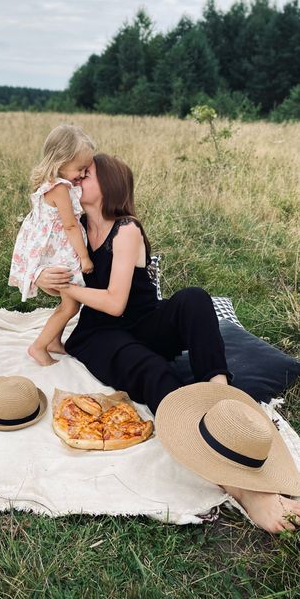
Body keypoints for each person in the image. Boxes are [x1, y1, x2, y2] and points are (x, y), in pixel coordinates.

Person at [35, 152, 300, 533]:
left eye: (85, 175)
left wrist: (71, 287)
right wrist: (46, 277)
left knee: (194, 298)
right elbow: (39, 259)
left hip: (141, 321)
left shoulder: (125, 229)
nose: (75, 180)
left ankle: (218, 395)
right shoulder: (71, 226)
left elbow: (116, 302)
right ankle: (240, 488)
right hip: (99, 335)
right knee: (152, 370)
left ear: (107, 185)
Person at [8, 124, 95, 366]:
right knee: (70, 306)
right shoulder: (60, 189)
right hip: (61, 255)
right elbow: (69, 226)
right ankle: (38, 347)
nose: (82, 173)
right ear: (61, 161)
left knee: (70, 304)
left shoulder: (48, 185)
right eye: (80, 168)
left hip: (51, 251)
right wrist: (85, 257)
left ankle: (54, 342)